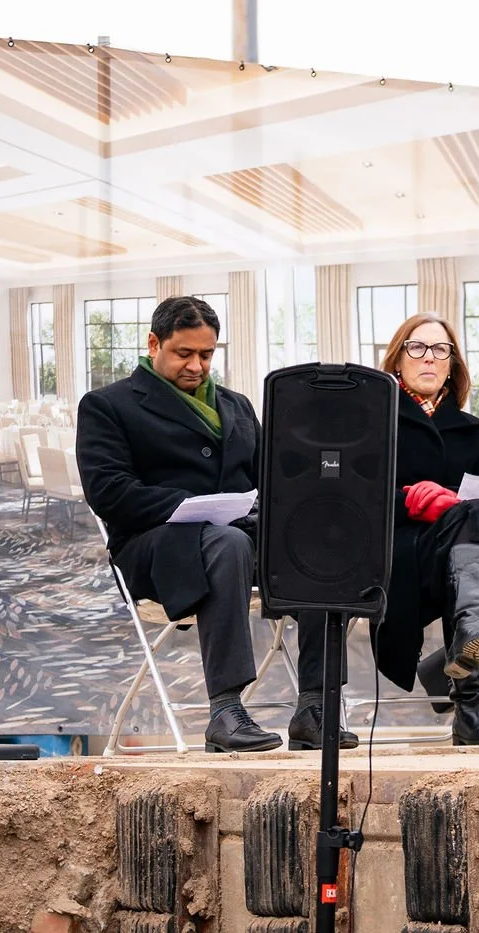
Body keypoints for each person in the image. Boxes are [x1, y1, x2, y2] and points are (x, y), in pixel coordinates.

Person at [77, 295, 348, 753]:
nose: (197, 366)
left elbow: (271, 481)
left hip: (239, 537)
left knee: (321, 543)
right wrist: (197, 505)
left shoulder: (237, 405)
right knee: (228, 542)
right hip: (156, 547)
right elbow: (109, 493)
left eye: (206, 354)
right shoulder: (108, 405)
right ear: (153, 344)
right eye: (184, 353)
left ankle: (315, 706)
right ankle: (225, 710)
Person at [369, 312, 479, 747]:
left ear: (452, 364)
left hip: (453, 560)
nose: (428, 357)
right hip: (393, 554)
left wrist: (455, 506)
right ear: (397, 360)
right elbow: (354, 501)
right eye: (417, 347)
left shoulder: (475, 436)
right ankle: (471, 699)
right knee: (471, 540)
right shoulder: (373, 421)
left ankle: (470, 673)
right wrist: (412, 500)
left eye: (440, 349)